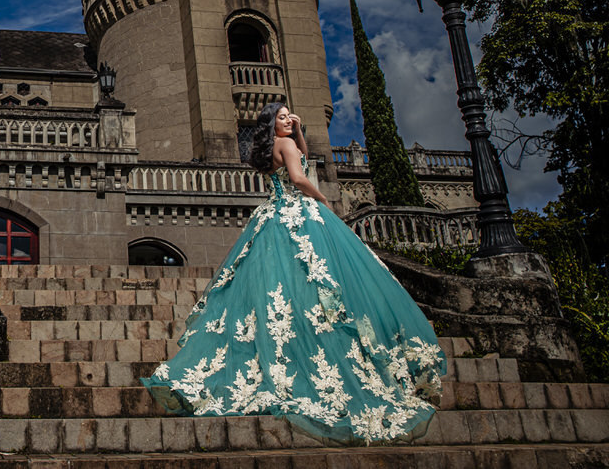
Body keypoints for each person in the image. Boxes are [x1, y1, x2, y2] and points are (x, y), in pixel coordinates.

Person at [141, 101, 446, 445]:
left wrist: (299, 130)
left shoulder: (272, 146)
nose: (289, 120)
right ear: (273, 122)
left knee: (282, 284)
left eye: (290, 116)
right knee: (313, 278)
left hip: (272, 215)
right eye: (283, 117)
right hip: (297, 213)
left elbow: (299, 157)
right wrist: (322, 199)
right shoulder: (285, 144)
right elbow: (300, 176)